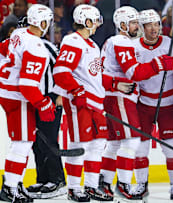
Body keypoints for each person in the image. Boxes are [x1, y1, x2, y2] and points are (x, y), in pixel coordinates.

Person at [99, 6, 173, 201]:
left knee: (115, 143)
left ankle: (104, 183)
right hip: (120, 97)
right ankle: (123, 185)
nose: (137, 26)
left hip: (112, 95)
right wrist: (157, 65)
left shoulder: (112, 41)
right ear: (123, 25)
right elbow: (133, 73)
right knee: (131, 141)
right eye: (133, 22)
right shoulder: (122, 41)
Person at [0, 4, 55, 203]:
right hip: (17, 97)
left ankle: (14, 182)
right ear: (42, 23)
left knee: (22, 141)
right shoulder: (36, 47)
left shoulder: (18, 33)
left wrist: (1, 77)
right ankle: (10, 187)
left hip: (4, 92)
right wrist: (44, 105)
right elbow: (27, 86)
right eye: (48, 22)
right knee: (22, 143)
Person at [52, 4, 112, 202]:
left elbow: (95, 76)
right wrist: (77, 91)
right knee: (80, 145)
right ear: (86, 21)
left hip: (96, 103)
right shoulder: (73, 41)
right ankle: (74, 188)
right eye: (94, 21)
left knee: (97, 145)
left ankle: (91, 187)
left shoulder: (92, 45)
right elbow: (61, 72)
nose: (96, 25)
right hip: (81, 103)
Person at [130, 9, 173, 201]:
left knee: (172, 147)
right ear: (142, 28)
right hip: (143, 104)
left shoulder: (171, 45)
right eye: (149, 25)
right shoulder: (134, 47)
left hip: (168, 105)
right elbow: (132, 76)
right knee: (140, 148)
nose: (154, 29)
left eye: (157, 24)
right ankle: (142, 185)